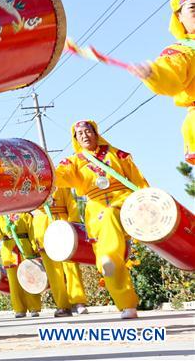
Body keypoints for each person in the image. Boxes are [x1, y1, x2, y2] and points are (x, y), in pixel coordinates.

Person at [54, 120, 148, 318]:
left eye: (88, 131)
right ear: (76, 139)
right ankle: (126, 304)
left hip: (122, 202)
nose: (85, 136)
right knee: (106, 261)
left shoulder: (118, 155)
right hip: (95, 209)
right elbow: (58, 176)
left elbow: (139, 182)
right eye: (80, 134)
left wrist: (147, 202)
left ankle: (112, 258)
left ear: (96, 133)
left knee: (110, 222)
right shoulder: (74, 162)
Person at [132, 0, 195, 164]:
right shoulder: (181, 51)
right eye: (193, 8)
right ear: (179, 17)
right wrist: (154, 74)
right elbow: (169, 74)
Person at [0, 213, 41, 318]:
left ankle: (34, 308)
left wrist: (35, 247)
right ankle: (19, 309)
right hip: (9, 252)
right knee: (14, 282)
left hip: (25, 248)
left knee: (29, 279)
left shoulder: (25, 214)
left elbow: (32, 231)